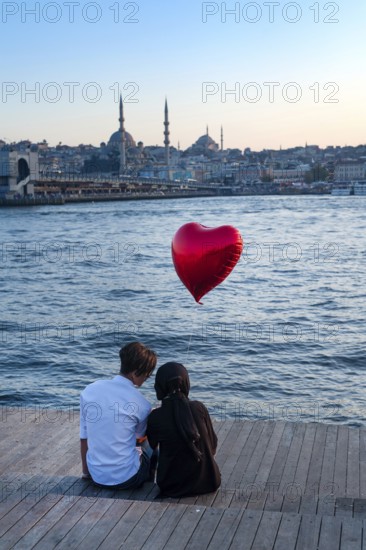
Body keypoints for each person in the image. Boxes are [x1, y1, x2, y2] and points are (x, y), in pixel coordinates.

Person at [80, 341, 157, 489]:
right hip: (128, 478)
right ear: (135, 373)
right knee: (152, 444)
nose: (146, 380)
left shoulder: (90, 390)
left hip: (97, 477)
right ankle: (148, 485)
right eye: (146, 376)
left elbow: (84, 438)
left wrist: (86, 473)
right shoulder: (142, 403)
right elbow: (139, 437)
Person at [146, 362, 221, 498]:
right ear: (186, 383)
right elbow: (213, 446)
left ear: (160, 386)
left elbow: (152, 446)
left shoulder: (155, 417)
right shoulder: (199, 408)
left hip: (172, 488)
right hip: (210, 482)